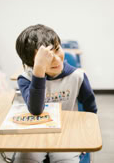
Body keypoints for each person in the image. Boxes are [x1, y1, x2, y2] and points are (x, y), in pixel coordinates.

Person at [15, 24, 97, 163]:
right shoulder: (26, 79)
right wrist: (39, 70)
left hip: (66, 134)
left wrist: (85, 138)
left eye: (57, 49)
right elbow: (35, 110)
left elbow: (91, 111)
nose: (57, 59)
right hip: (35, 134)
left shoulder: (78, 77)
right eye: (46, 57)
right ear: (32, 63)